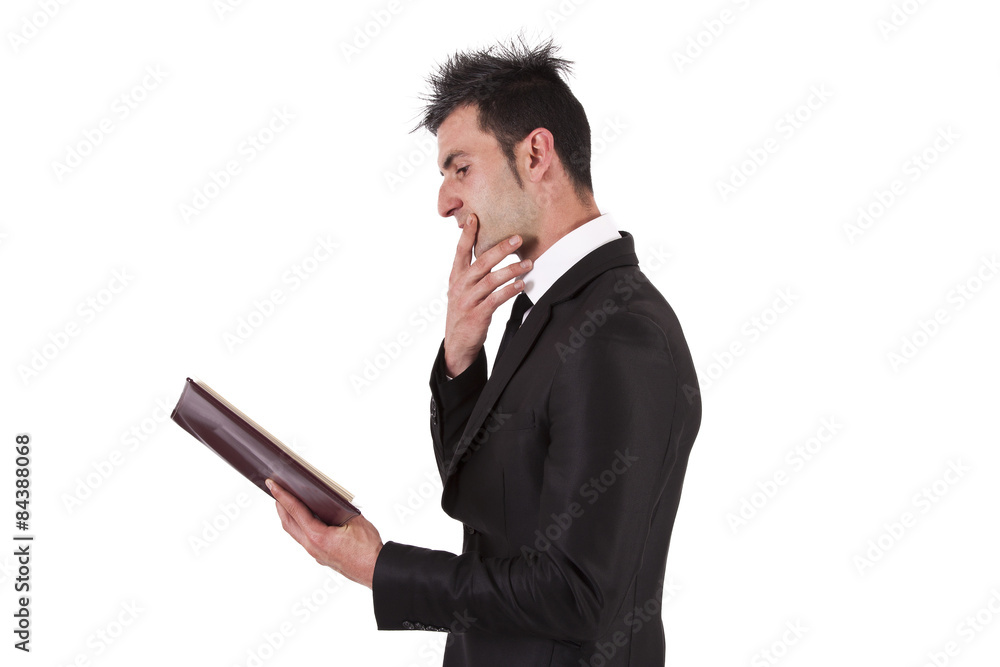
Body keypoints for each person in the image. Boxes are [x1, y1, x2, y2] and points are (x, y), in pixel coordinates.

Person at [266, 37, 702, 666]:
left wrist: (379, 569)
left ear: (536, 154)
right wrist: (461, 359)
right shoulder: (536, 308)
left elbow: (578, 596)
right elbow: (484, 505)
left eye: (460, 168)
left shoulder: (619, 332)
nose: (445, 202)